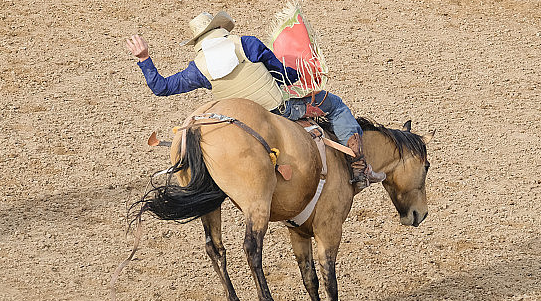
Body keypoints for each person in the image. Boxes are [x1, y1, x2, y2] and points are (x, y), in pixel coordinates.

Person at [126, 11, 385, 192]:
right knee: (334, 104)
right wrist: (303, 70)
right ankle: (359, 167)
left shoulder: (198, 69)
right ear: (220, 30)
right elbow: (284, 75)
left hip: (239, 122)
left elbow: (161, 87)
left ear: (200, 43)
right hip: (279, 110)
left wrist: (144, 58)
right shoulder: (248, 44)